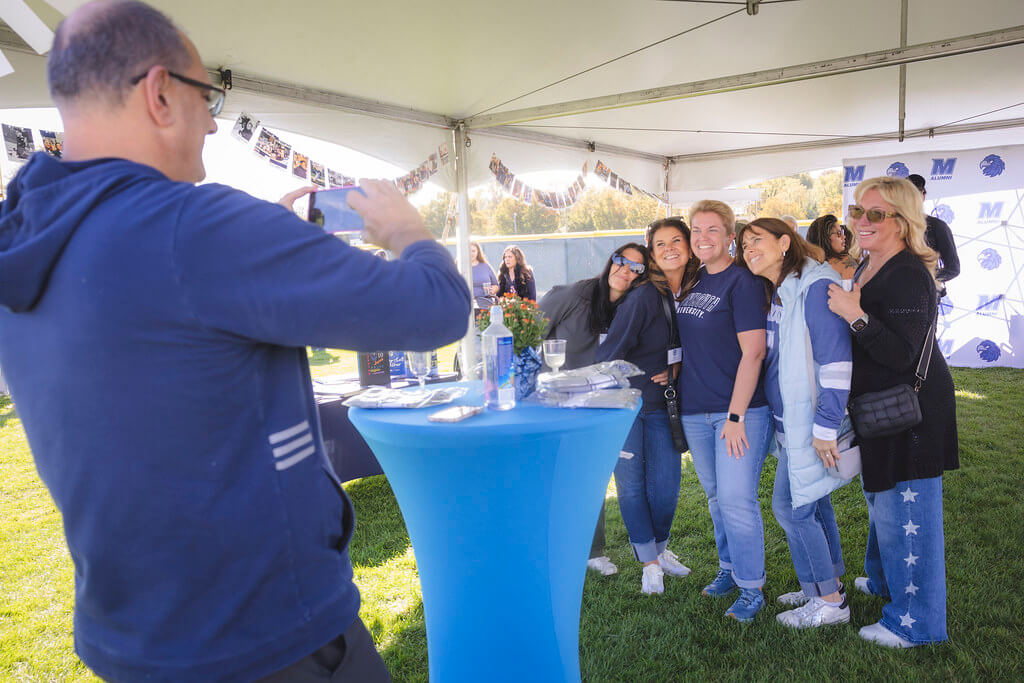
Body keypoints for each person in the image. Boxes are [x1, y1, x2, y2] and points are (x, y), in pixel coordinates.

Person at [0, 2, 471, 681]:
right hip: (272, 639)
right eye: (207, 94)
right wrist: (409, 233)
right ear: (160, 92)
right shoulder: (199, 227)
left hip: (135, 640)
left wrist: (271, 248)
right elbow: (437, 310)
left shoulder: (27, 237)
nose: (214, 120)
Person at [827, 176, 958, 648]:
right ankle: (884, 581)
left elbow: (903, 355)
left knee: (908, 506)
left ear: (902, 222)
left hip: (912, 411)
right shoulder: (871, 260)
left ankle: (916, 622)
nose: (860, 221)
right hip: (881, 405)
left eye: (874, 214)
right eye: (858, 211)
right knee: (882, 493)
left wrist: (853, 314)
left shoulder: (907, 274)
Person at [736, 217, 853, 629]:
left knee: (790, 508)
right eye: (744, 243)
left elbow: (837, 360)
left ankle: (830, 602)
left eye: (758, 240)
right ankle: (824, 582)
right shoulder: (785, 289)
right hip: (793, 419)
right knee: (814, 502)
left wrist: (825, 426)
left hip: (810, 423)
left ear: (785, 242)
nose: (749, 248)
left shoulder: (814, 285)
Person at [676, 199, 772, 622]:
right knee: (717, 498)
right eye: (696, 230)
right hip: (696, 410)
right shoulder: (693, 283)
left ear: (731, 236)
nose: (702, 237)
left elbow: (754, 353)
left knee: (736, 498)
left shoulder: (742, 283)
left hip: (738, 411)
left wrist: (735, 416)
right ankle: (730, 570)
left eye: (712, 230)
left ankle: (752, 589)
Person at [595, 218, 698, 595]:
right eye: (660, 244)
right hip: (630, 404)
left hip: (664, 404)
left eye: (676, 241)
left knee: (667, 487)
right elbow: (609, 354)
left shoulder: (690, 290)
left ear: (688, 246)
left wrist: (676, 366)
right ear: (653, 255)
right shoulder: (642, 297)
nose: (669, 249)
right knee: (633, 485)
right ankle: (648, 562)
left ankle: (660, 547)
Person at [540, 242, 650, 576]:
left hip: (599, 404)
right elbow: (528, 331)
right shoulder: (574, 295)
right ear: (610, 261)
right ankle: (547, 544)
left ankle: (592, 550)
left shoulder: (631, 307)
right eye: (621, 261)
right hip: (555, 402)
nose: (625, 270)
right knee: (552, 476)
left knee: (591, 475)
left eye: (635, 268)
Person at [906, 174, 960, 296]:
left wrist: (927, 277)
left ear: (923, 195)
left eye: (915, 193)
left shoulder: (937, 226)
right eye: (907, 193)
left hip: (925, 298)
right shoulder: (891, 226)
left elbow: (953, 269)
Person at [806, 214, 859, 284]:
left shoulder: (808, 265)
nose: (844, 236)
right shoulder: (842, 261)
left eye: (842, 232)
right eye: (839, 233)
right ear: (825, 238)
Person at [470, 240, 498, 308]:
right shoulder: (459, 267)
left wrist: (494, 289)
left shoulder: (485, 266)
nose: (471, 253)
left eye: (473, 251)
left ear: (478, 252)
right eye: (468, 251)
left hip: (486, 305)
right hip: (466, 305)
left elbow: (496, 285)